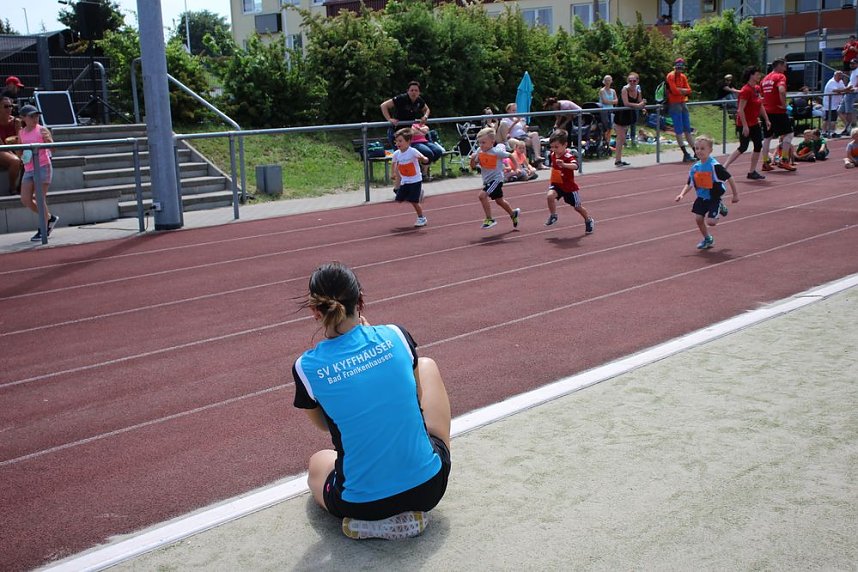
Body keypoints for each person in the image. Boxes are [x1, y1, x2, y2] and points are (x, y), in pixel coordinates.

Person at [292, 262, 452, 540]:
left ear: (315, 312)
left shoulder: (306, 367)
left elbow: (322, 424)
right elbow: (416, 393)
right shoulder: (396, 335)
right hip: (428, 490)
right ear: (361, 301)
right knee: (426, 365)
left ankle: (371, 523)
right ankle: (414, 477)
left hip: (360, 505)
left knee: (319, 462)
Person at [674, 135, 739, 250]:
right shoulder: (695, 167)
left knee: (711, 222)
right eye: (697, 148)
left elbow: (730, 178)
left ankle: (720, 206)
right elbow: (690, 183)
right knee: (698, 219)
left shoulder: (715, 166)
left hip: (714, 197)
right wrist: (682, 194)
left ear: (710, 150)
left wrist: (735, 195)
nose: (699, 151)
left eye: (702, 148)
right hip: (702, 197)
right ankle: (707, 238)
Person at [17, 104, 58, 242]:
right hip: (29, 167)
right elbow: (20, 152)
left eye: (36, 116)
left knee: (39, 198)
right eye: (31, 116)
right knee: (25, 199)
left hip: (42, 166)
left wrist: (49, 141)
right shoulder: (21, 132)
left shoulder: (42, 130)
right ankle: (49, 218)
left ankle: (44, 227)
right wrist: (20, 154)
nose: (35, 119)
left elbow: (53, 150)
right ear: (23, 118)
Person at [722, 65, 770, 180]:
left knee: (758, 145)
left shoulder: (757, 89)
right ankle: (723, 168)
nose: (759, 76)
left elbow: (760, 105)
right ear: (751, 75)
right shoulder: (746, 90)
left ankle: (752, 171)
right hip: (744, 123)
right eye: (757, 74)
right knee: (743, 147)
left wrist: (767, 119)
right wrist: (745, 126)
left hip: (755, 122)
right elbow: (740, 109)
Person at [543, 129, 595, 233]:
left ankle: (588, 219)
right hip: (557, 184)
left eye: (556, 147)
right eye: (552, 147)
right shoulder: (553, 155)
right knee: (549, 196)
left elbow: (576, 166)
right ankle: (553, 215)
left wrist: (564, 165)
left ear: (565, 145)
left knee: (577, 207)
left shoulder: (567, 156)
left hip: (569, 187)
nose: (553, 149)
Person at [469, 127, 521, 230]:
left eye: (483, 142)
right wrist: (473, 159)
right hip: (487, 181)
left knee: (482, 196)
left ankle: (489, 219)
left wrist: (517, 168)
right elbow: (473, 166)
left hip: (497, 180)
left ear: (492, 142)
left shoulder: (496, 152)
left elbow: (510, 155)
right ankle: (513, 213)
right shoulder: (480, 151)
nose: (481, 145)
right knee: (499, 201)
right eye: (479, 143)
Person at [760, 58, 797, 172]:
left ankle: (765, 162)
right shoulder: (780, 76)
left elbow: (762, 96)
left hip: (766, 112)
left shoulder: (764, 79)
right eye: (784, 66)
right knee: (789, 133)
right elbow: (781, 90)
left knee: (767, 137)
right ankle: (784, 160)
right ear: (779, 66)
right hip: (777, 111)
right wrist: (784, 105)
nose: (785, 69)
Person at [391, 127, 430, 227]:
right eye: (396, 141)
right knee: (399, 199)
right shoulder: (396, 154)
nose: (398, 144)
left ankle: (421, 218)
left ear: (408, 141)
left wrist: (422, 158)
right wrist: (393, 174)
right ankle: (417, 194)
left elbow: (425, 159)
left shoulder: (412, 151)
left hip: (415, 180)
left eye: (400, 141)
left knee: (414, 201)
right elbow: (394, 163)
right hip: (405, 180)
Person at [380, 81, 430, 146]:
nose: (414, 92)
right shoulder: (401, 98)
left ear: (419, 92)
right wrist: (389, 119)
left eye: (416, 90)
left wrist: (425, 116)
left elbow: (427, 109)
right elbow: (383, 105)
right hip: (395, 131)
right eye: (411, 90)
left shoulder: (419, 100)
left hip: (407, 132)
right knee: (399, 154)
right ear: (407, 91)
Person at [613, 72, 646, 167]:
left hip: (628, 116)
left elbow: (639, 101)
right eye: (630, 81)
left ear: (637, 81)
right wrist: (639, 105)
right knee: (621, 138)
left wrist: (643, 106)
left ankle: (618, 160)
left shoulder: (638, 90)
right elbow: (626, 103)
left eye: (634, 81)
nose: (632, 82)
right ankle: (617, 160)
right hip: (620, 115)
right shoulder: (625, 89)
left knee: (622, 139)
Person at [666, 58, 696, 163]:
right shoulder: (670, 76)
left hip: (683, 103)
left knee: (687, 129)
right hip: (674, 104)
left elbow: (689, 90)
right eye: (678, 66)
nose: (679, 68)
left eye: (681, 66)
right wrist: (682, 91)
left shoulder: (683, 76)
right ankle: (685, 153)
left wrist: (681, 91)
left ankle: (695, 151)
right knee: (679, 130)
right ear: (674, 66)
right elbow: (674, 91)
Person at [497, 103, 545, 167]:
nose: (515, 112)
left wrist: (524, 125)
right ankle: (524, 165)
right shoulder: (505, 120)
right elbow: (506, 132)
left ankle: (537, 157)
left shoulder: (518, 118)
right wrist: (515, 123)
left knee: (535, 134)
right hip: (514, 137)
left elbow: (524, 131)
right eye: (513, 110)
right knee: (522, 144)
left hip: (523, 136)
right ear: (508, 111)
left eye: (516, 110)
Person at [0, 95, 23, 194]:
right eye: (6, 106)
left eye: (11, 106)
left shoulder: (16, 122)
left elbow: (20, 140)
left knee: (30, 158)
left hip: (14, 148)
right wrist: (16, 155)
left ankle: (22, 187)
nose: (9, 109)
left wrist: (20, 154)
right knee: (15, 161)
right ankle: (12, 188)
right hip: (1, 149)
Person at [822, 70, 850, 137]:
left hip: (836, 103)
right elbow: (836, 90)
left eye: (841, 75)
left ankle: (825, 132)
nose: (841, 76)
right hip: (829, 103)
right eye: (839, 75)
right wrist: (845, 90)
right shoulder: (831, 82)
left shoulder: (840, 81)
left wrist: (847, 90)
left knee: (830, 119)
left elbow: (843, 89)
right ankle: (830, 132)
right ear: (835, 75)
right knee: (831, 119)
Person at [598, 75, 618, 149]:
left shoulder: (613, 91)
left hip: (611, 111)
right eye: (606, 80)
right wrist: (612, 102)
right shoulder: (602, 91)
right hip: (604, 110)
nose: (608, 82)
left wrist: (610, 102)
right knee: (605, 127)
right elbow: (604, 101)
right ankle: (604, 141)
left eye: (609, 80)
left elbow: (616, 101)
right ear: (604, 81)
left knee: (610, 127)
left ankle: (608, 143)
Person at [840, 58, 858, 136]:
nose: (851, 64)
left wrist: (855, 88)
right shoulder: (853, 71)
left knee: (848, 112)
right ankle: (849, 127)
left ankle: (850, 129)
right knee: (840, 110)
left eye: (853, 63)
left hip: (852, 93)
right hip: (847, 93)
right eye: (851, 63)